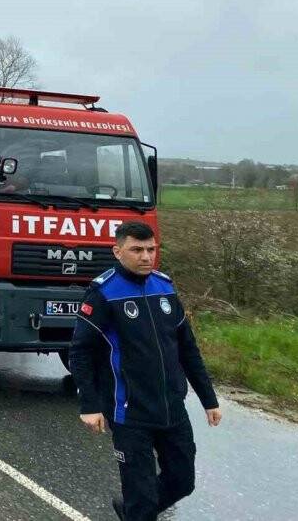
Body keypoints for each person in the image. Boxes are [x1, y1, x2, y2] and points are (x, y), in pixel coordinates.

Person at [68, 222, 222, 521]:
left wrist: (209, 399)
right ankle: (138, 510)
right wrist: (90, 405)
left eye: (151, 249)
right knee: (142, 496)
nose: (146, 256)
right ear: (118, 251)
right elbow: (81, 352)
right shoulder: (103, 293)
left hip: (171, 408)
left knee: (182, 481)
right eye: (136, 250)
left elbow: (187, 348)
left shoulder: (164, 286)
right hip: (129, 412)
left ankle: (132, 511)